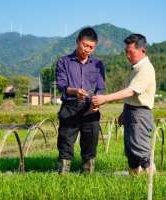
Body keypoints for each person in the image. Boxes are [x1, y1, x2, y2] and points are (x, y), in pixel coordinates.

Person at [92, 33, 156, 174]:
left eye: (131, 52)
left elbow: (130, 91)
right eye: (126, 52)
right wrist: (125, 113)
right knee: (131, 152)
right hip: (131, 111)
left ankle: (152, 185)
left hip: (140, 114)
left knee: (142, 151)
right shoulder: (136, 68)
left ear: (142, 51)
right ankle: (134, 183)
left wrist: (105, 98)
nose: (127, 56)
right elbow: (132, 97)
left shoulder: (145, 68)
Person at [55, 27, 105, 173]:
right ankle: (63, 174)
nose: (87, 49)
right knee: (65, 142)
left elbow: (101, 88)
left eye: (91, 47)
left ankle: (87, 174)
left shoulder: (97, 64)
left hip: (90, 108)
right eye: (85, 45)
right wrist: (75, 91)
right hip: (70, 107)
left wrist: (98, 102)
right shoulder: (64, 62)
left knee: (90, 142)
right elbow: (61, 85)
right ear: (77, 42)